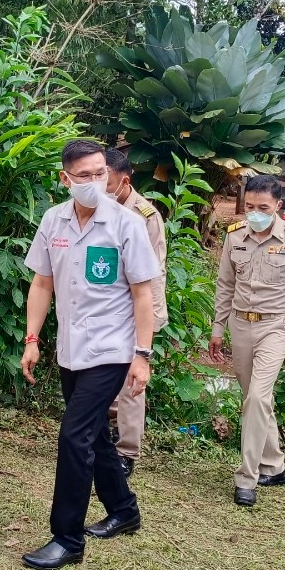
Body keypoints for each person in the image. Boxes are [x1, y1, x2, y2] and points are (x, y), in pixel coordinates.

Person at [18, 139, 160, 570]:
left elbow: (143, 295)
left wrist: (142, 355)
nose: (96, 182)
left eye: (101, 173)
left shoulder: (126, 224)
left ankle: (67, 539)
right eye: (85, 175)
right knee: (95, 434)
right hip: (70, 348)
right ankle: (124, 509)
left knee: (74, 436)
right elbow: (42, 284)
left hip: (112, 349)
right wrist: (32, 338)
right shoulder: (54, 220)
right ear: (66, 179)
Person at [209, 174, 285, 507]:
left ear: (278, 206)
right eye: (250, 207)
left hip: (276, 327)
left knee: (256, 397)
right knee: (256, 399)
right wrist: (217, 326)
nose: (255, 213)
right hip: (240, 326)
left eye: (263, 207)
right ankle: (275, 466)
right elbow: (225, 284)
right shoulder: (234, 236)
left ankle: (247, 477)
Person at [103, 147, 168, 477]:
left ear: (124, 181)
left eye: (106, 180)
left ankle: (127, 450)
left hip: (136, 309)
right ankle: (105, 435)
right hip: (105, 307)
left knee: (131, 380)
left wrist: (151, 325)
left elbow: (153, 275)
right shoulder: (99, 210)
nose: (100, 185)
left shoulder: (145, 217)